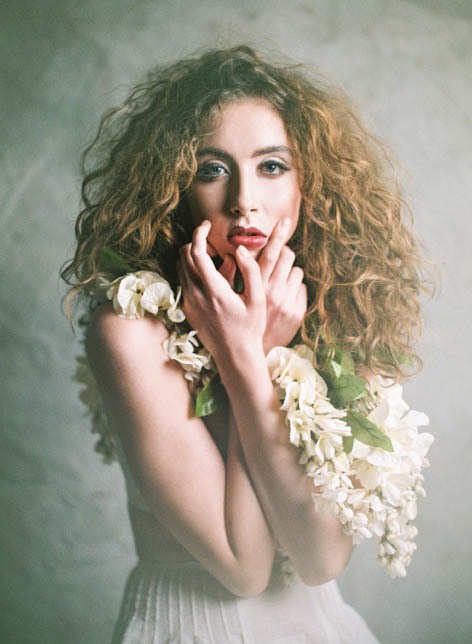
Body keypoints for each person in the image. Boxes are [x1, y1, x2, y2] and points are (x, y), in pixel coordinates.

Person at [62, 45, 429, 643]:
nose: (243, 200)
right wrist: (246, 358)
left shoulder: (341, 315)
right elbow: (244, 566)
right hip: (188, 625)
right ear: (174, 186)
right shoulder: (130, 327)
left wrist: (249, 356)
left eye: (272, 166)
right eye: (212, 168)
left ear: (310, 182)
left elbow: (320, 562)